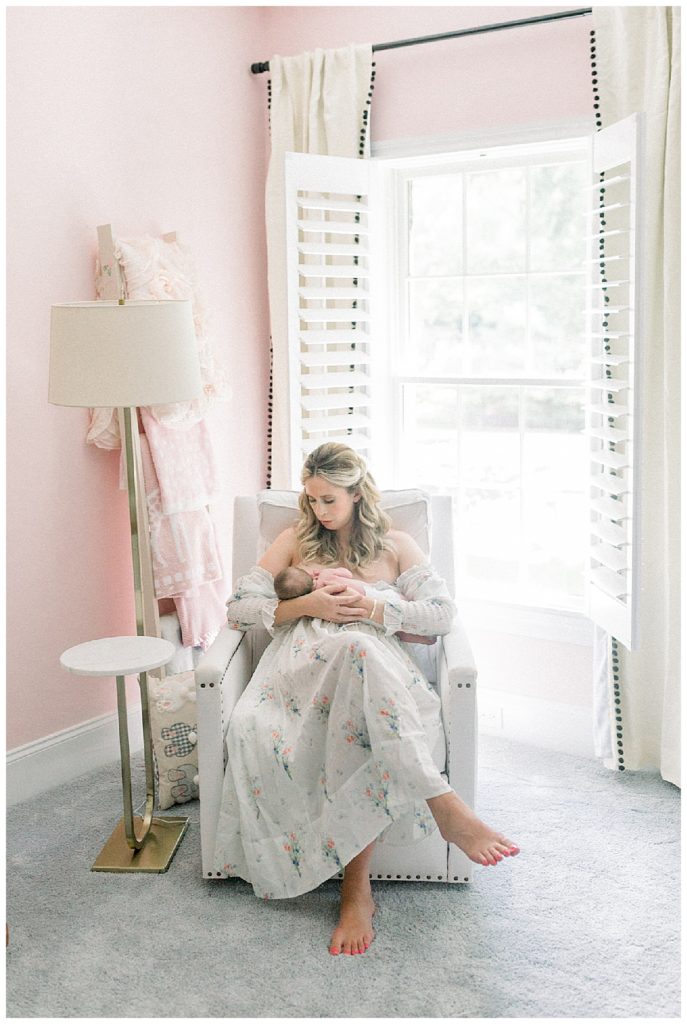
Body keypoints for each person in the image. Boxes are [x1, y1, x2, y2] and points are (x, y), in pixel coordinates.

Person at [215, 442, 519, 957]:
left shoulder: (397, 545)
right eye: (311, 499)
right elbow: (240, 610)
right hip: (301, 671)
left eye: (329, 499)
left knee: (359, 660)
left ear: (358, 494)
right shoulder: (293, 540)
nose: (318, 511)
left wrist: (376, 609)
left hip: (374, 669)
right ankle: (443, 804)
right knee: (349, 655)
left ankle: (357, 891)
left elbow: (442, 616)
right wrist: (309, 603)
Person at [273, 564, 436, 645]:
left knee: (395, 631)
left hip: (360, 616)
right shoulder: (326, 575)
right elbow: (347, 573)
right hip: (372, 597)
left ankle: (424, 639)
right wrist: (329, 570)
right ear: (310, 573)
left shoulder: (315, 604)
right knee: (397, 602)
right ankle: (427, 636)